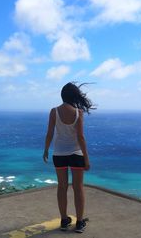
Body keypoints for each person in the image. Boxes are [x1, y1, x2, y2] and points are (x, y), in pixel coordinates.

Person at [43, 82, 95, 233]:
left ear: (62, 95)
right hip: (76, 154)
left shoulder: (54, 111)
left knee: (62, 187)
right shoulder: (78, 112)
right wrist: (86, 158)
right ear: (74, 96)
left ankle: (64, 220)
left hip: (59, 154)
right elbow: (81, 137)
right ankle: (79, 222)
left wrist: (46, 149)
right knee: (78, 188)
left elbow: (50, 133)